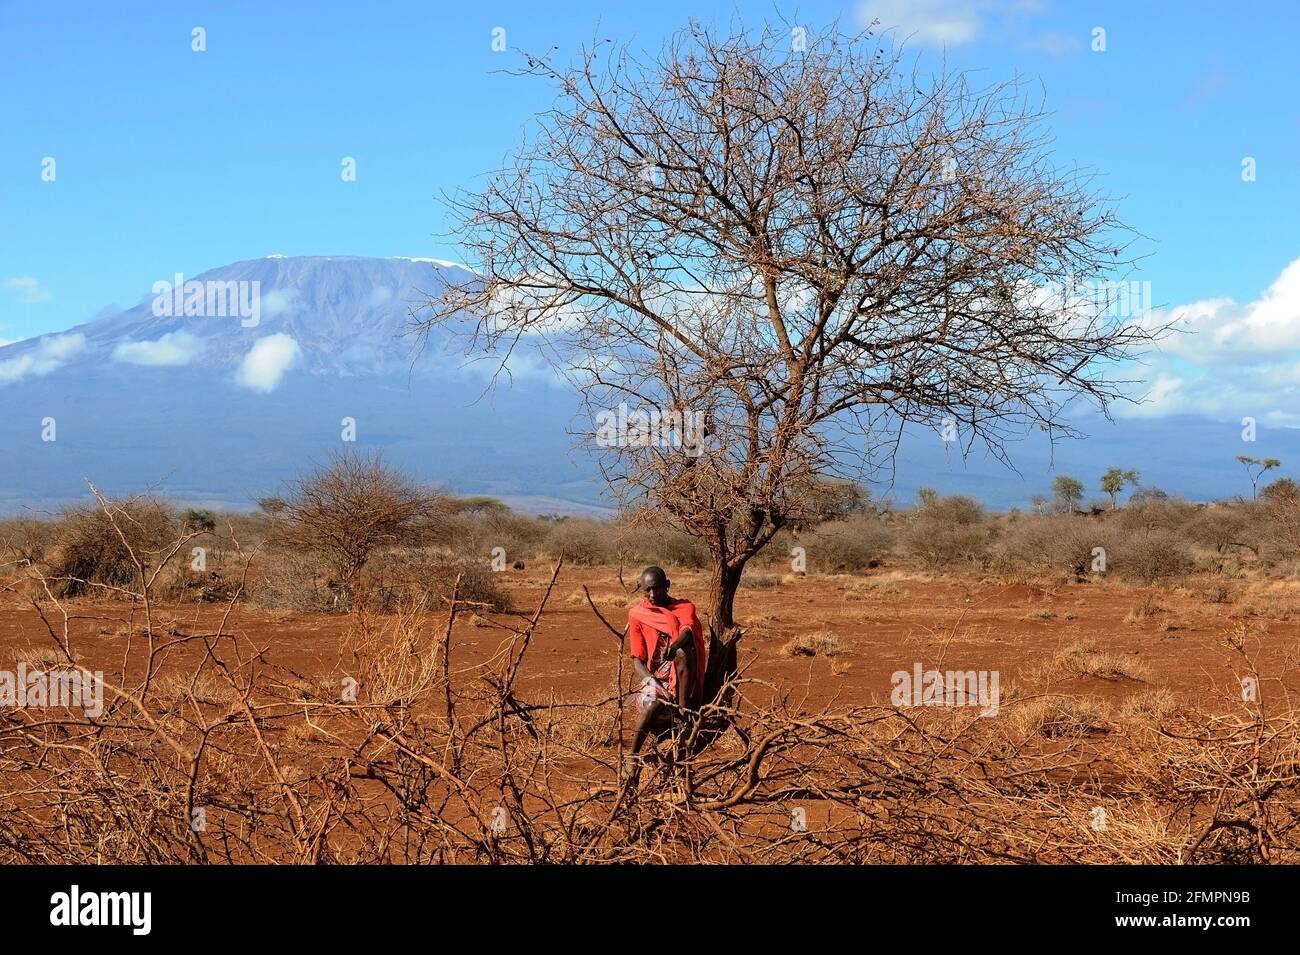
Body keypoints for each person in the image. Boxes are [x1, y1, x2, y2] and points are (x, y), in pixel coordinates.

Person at [622, 565, 706, 782]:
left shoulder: (684, 607)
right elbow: (637, 661)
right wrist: (657, 686)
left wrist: (673, 646)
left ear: (667, 585)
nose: (652, 594)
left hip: (683, 683)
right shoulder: (638, 614)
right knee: (653, 705)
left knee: (683, 651)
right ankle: (631, 758)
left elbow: (687, 630)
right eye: (647, 590)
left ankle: (683, 714)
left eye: (656, 588)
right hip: (655, 680)